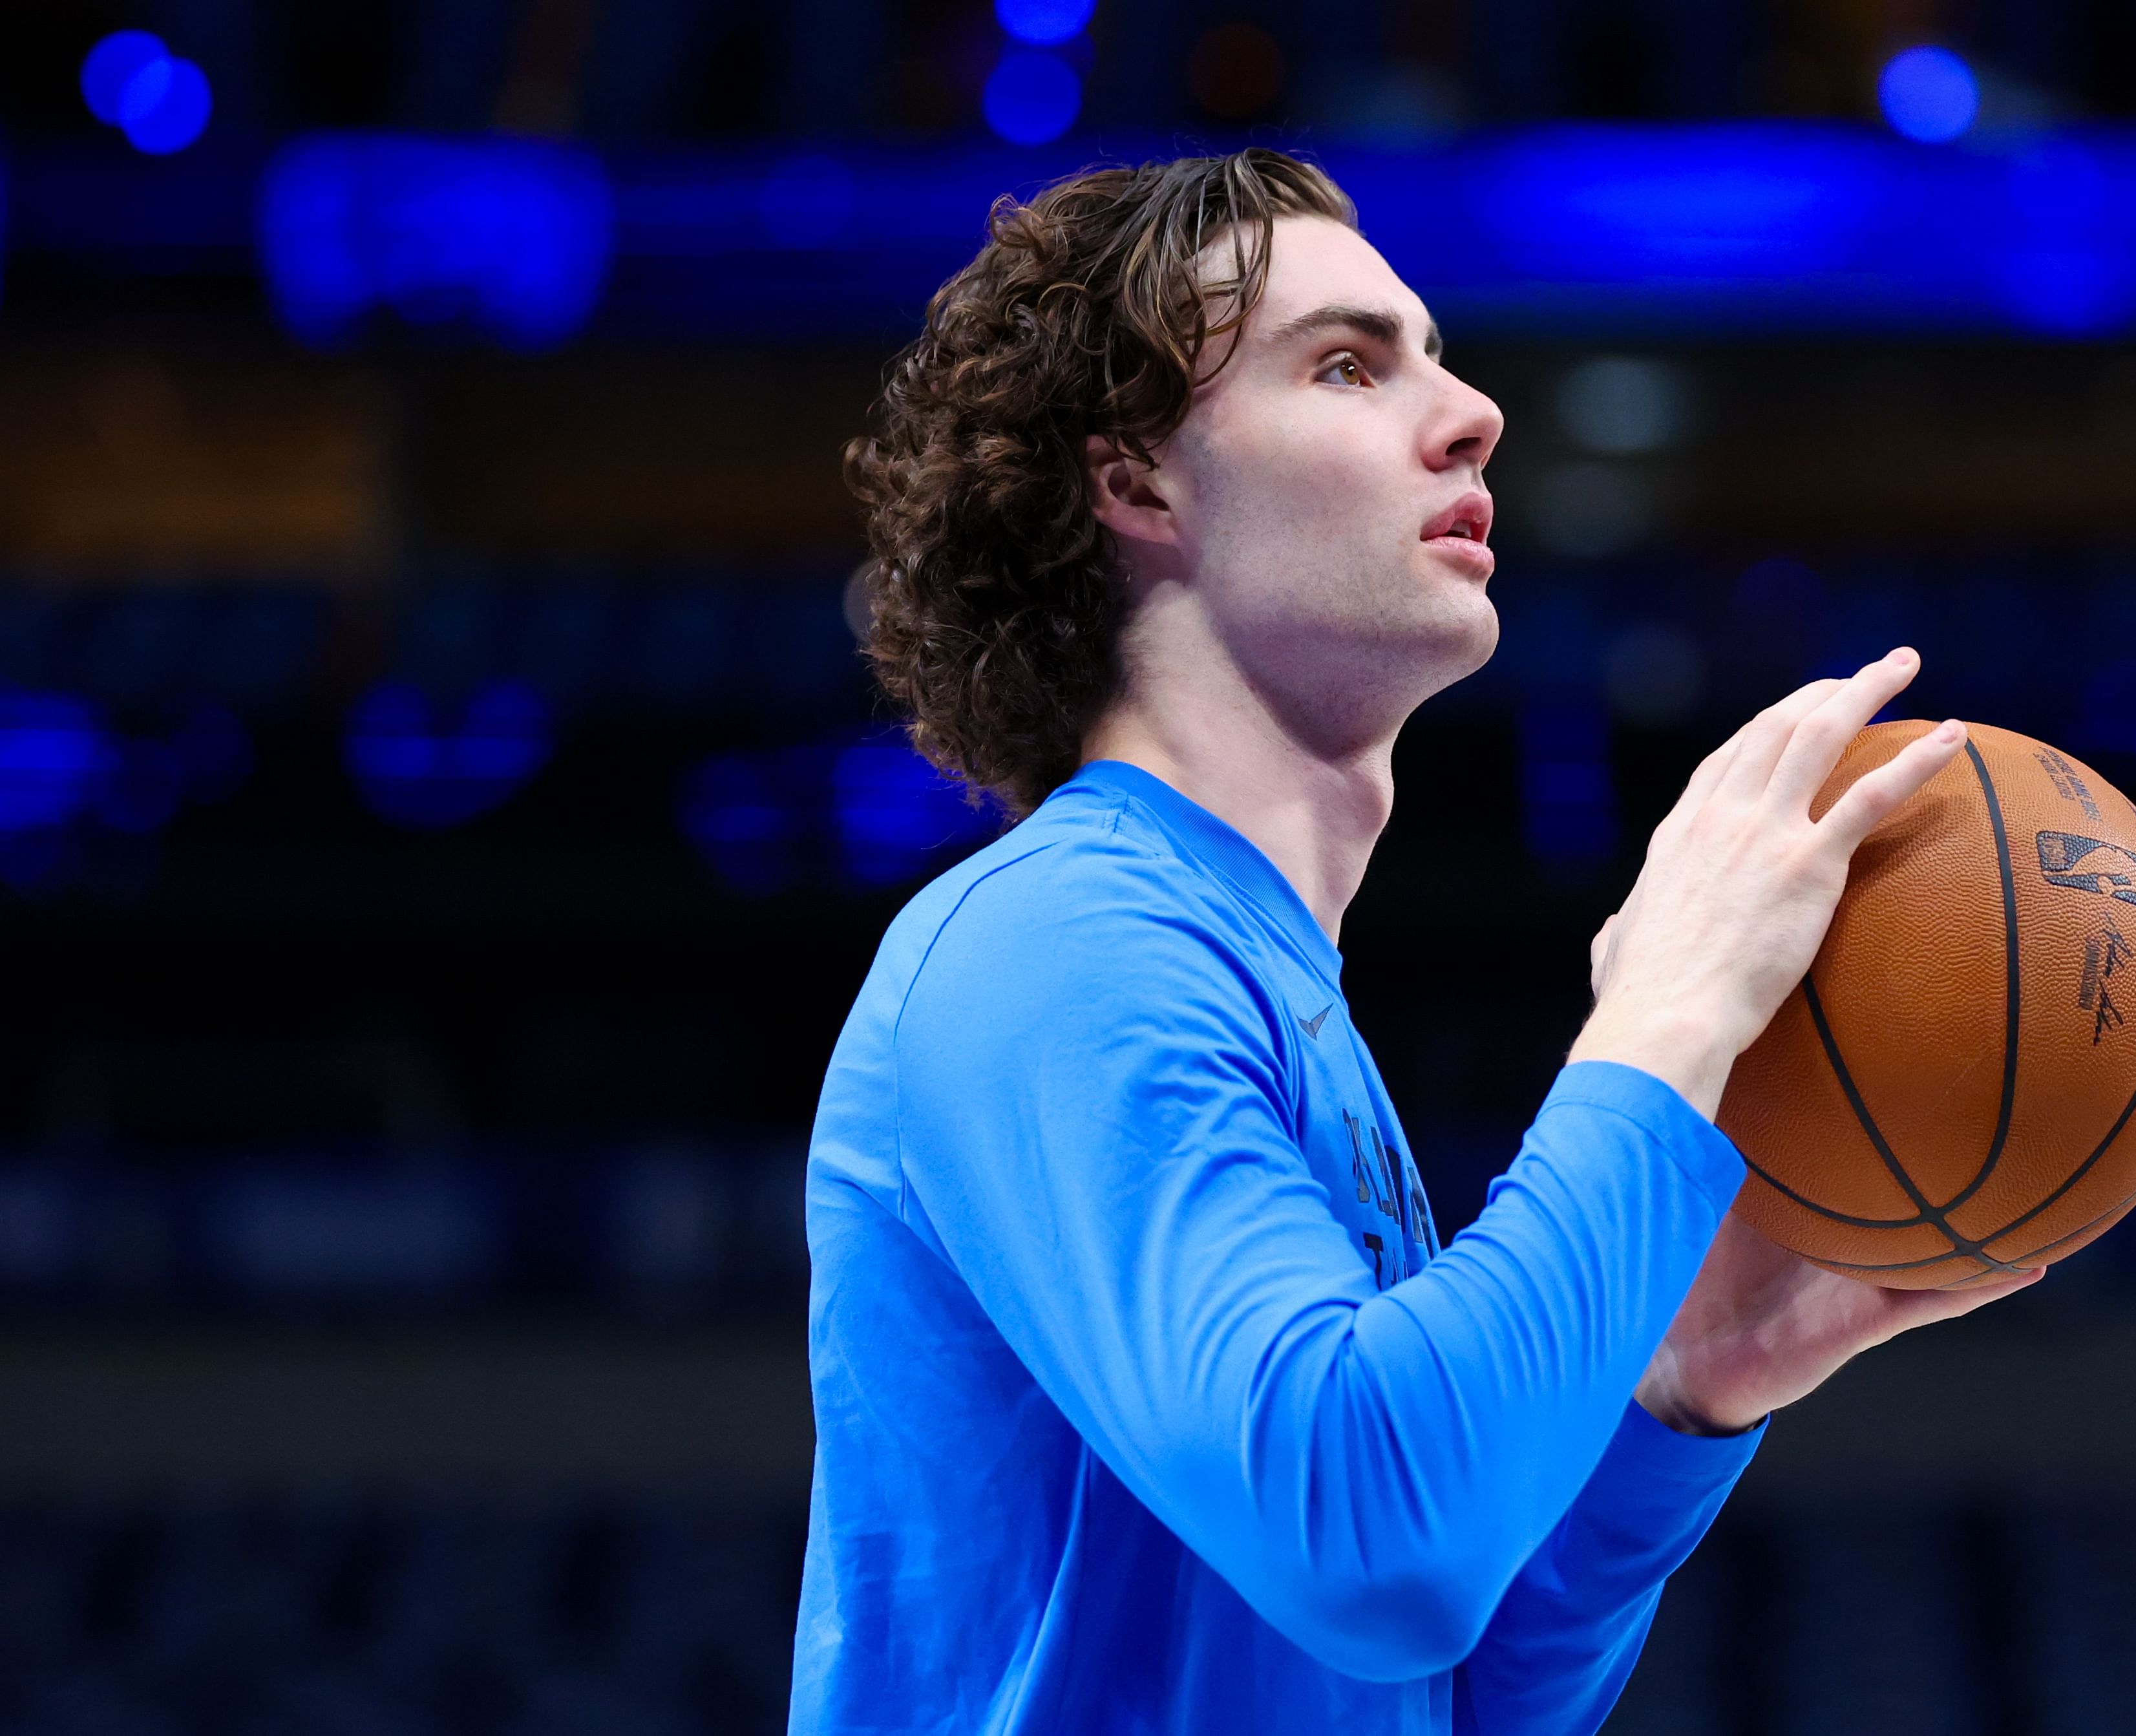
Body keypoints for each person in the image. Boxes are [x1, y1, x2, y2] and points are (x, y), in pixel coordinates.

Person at [789, 148, 2040, 1736]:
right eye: (1343, 364)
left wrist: (1677, 1389)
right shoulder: (1062, 942)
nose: (1468, 413)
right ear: (1135, 484)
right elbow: (1375, 1543)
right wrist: (1663, 1015)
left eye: (1437, 355)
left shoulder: (1261, 992)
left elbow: (1437, 1690)